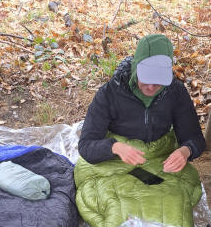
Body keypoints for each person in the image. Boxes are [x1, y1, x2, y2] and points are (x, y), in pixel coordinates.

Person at [78, 34, 206, 172]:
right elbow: (86, 145)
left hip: (160, 159)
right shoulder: (110, 93)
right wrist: (115, 147)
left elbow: (196, 138)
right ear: (136, 68)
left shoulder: (175, 92)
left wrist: (186, 151)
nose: (151, 87)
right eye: (146, 77)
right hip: (114, 160)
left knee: (181, 192)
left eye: (158, 80)